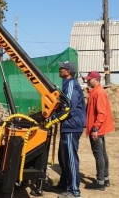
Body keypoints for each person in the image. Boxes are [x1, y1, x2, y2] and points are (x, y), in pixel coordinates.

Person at [56, 61, 86, 198]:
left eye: (62, 68)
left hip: (71, 126)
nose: (59, 69)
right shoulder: (67, 84)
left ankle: (74, 191)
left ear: (67, 72)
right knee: (63, 157)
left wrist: (54, 119)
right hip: (67, 126)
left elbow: (68, 108)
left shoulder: (71, 85)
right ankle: (64, 184)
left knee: (70, 158)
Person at [83, 71, 114, 191]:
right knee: (102, 154)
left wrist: (95, 128)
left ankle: (100, 182)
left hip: (97, 129)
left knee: (99, 155)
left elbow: (101, 113)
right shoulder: (96, 91)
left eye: (89, 79)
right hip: (99, 128)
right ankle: (105, 179)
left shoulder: (98, 92)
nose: (87, 81)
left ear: (96, 80)